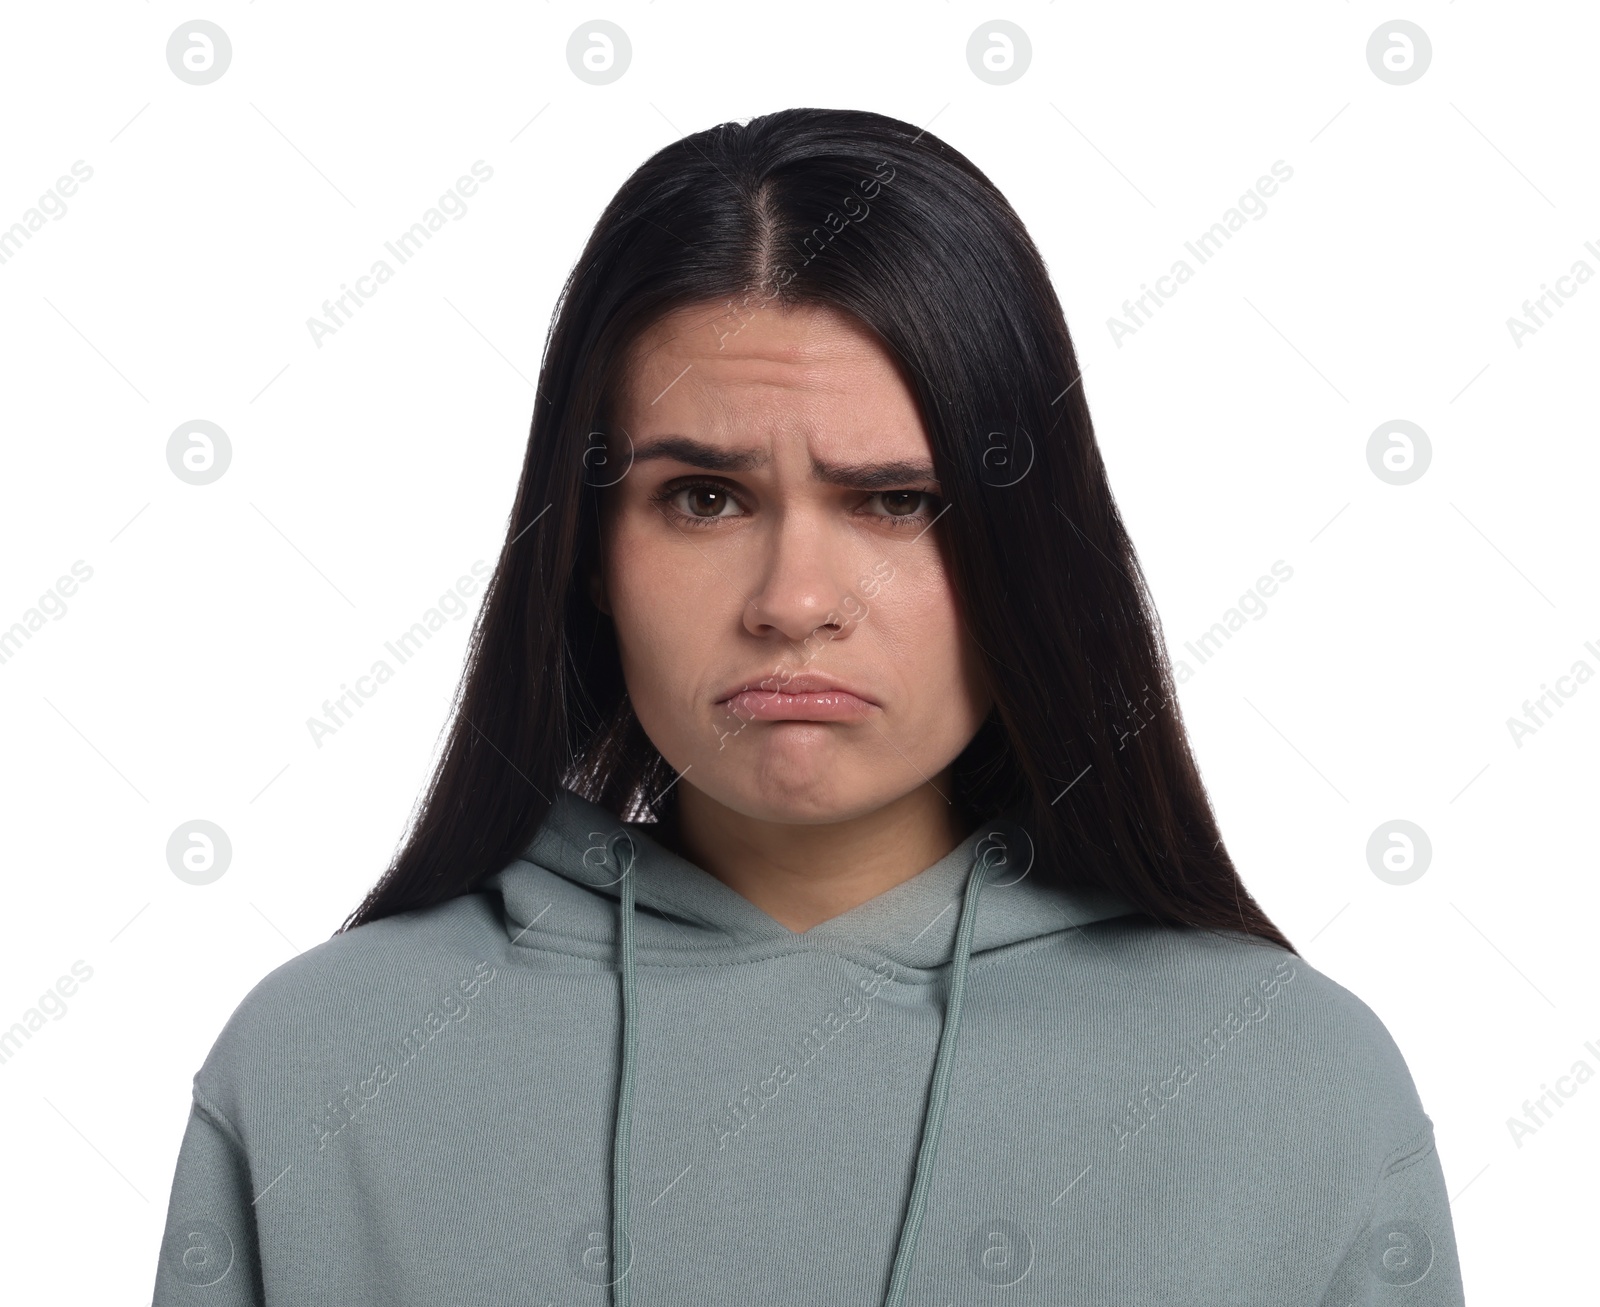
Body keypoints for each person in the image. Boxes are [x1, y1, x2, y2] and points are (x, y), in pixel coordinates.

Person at [152, 108, 1464, 1306]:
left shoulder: (1292, 1088)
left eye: (896, 502)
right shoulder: (324, 1066)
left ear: (1024, 552)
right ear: (590, 558)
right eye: (704, 498)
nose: (794, 600)